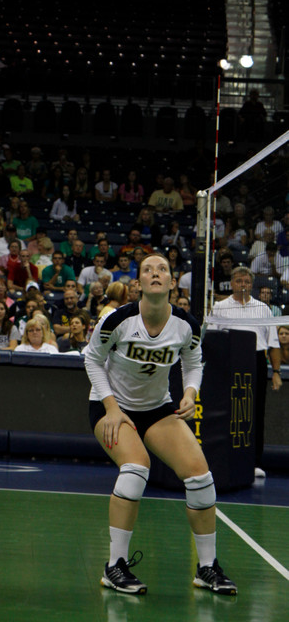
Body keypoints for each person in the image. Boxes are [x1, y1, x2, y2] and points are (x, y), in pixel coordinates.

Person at [84, 252, 237, 596]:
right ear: (138, 283)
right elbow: (92, 359)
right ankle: (114, 566)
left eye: (163, 269)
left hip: (157, 408)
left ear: (171, 281)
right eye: (148, 269)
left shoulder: (186, 325)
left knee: (200, 476)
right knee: (137, 468)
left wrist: (190, 392)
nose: (156, 273)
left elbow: (194, 361)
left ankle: (207, 568)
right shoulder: (117, 320)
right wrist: (110, 408)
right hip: (111, 406)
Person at [208, 266, 283, 479]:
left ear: (252, 285)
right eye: (239, 281)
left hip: (256, 361)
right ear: (232, 283)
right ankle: (223, 460)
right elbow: (212, 340)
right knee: (227, 412)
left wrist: (276, 371)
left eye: (247, 282)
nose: (243, 285)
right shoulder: (220, 307)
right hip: (228, 362)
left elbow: (273, 344)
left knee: (255, 412)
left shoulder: (263, 309)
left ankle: (254, 462)